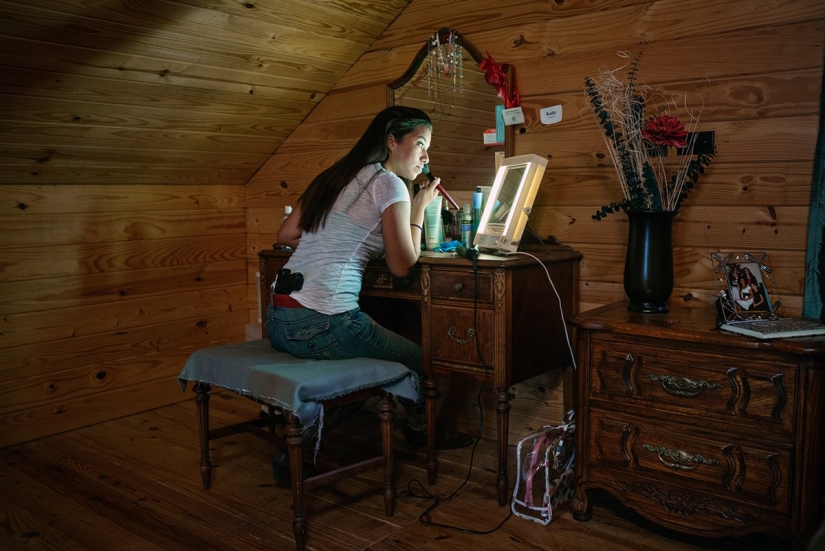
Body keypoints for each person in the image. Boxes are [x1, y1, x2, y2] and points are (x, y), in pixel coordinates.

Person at [267, 105, 472, 451]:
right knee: (418, 361)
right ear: (392, 141)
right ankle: (418, 433)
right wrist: (420, 206)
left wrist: (333, 240)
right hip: (321, 323)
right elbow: (402, 265)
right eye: (420, 143)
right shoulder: (390, 184)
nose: (425, 156)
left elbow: (286, 234)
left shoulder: (333, 176)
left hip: (279, 318)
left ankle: (306, 438)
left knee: (371, 351)